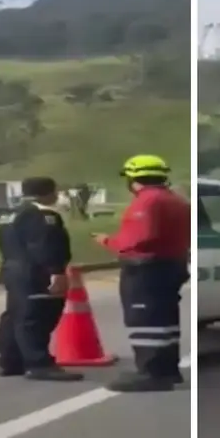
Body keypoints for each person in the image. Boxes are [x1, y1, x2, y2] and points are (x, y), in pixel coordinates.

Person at [93, 155, 191, 392]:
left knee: (145, 320)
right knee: (165, 320)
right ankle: (168, 369)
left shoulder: (147, 202)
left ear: (133, 178)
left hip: (146, 269)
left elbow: (138, 239)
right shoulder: (176, 200)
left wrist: (107, 240)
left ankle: (152, 372)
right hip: (171, 264)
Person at [0, 177, 83, 382]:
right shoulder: (43, 216)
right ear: (47, 193)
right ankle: (39, 363)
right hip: (35, 271)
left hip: (13, 269)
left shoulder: (9, 215)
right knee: (37, 317)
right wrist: (56, 272)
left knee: (15, 316)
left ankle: (10, 361)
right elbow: (44, 246)